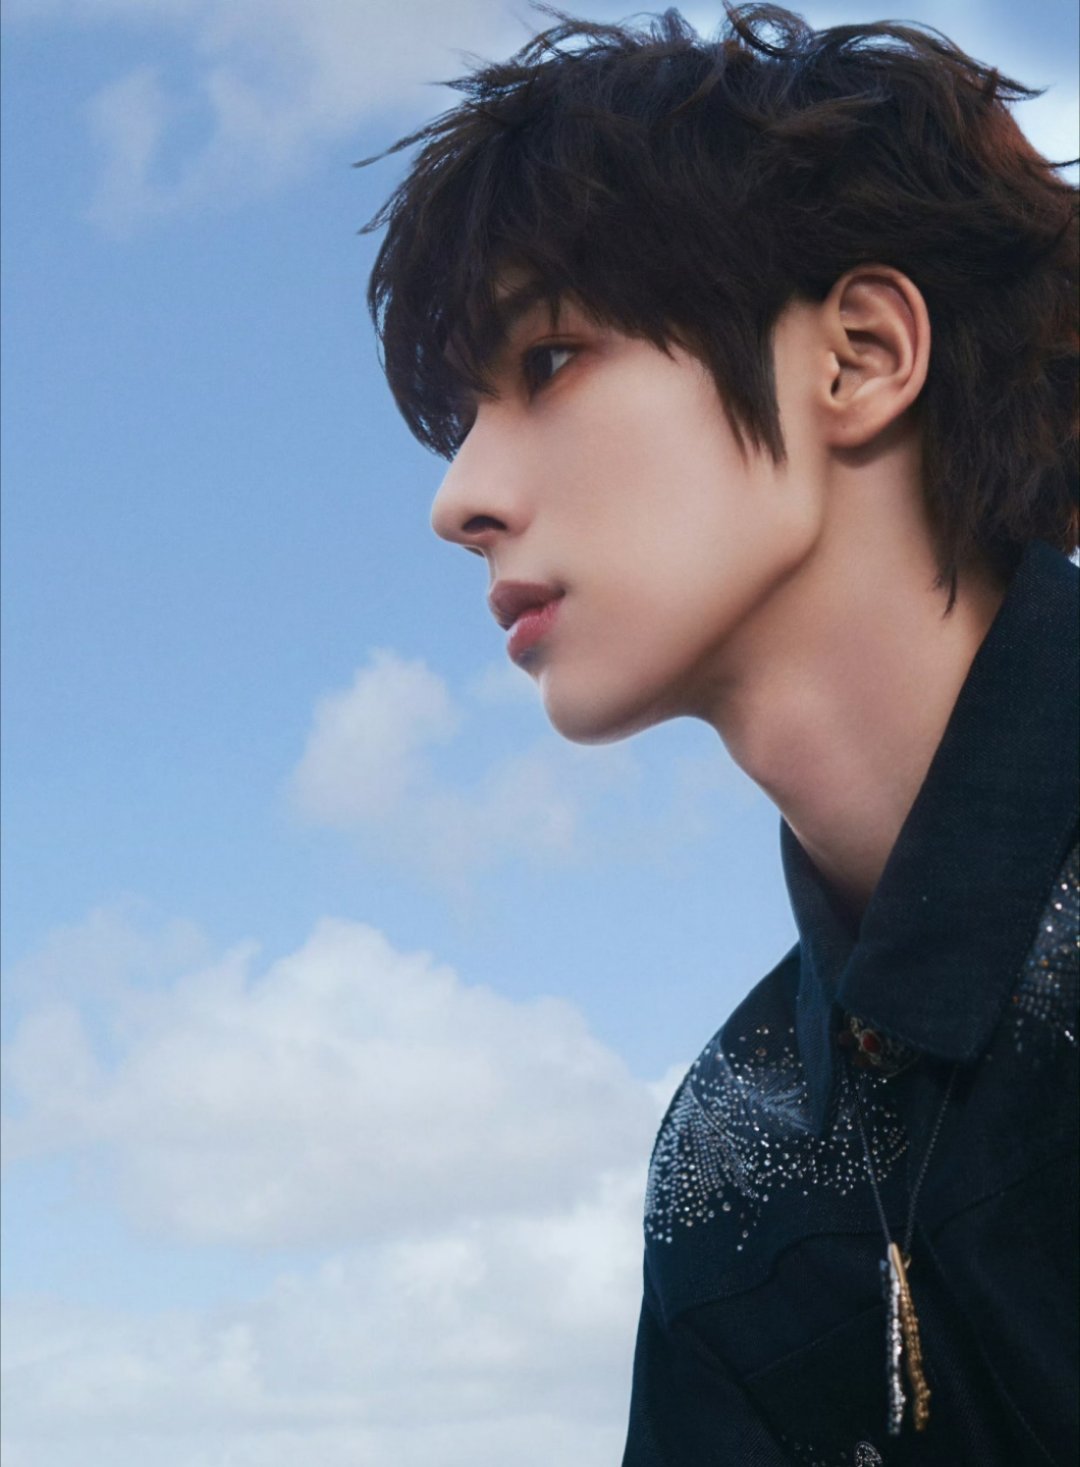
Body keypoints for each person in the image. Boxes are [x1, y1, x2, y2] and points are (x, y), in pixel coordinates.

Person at [360, 5, 1079, 1462]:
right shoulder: (734, 1153)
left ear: (860, 356)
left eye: (549, 359)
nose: (458, 500)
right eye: (464, 418)